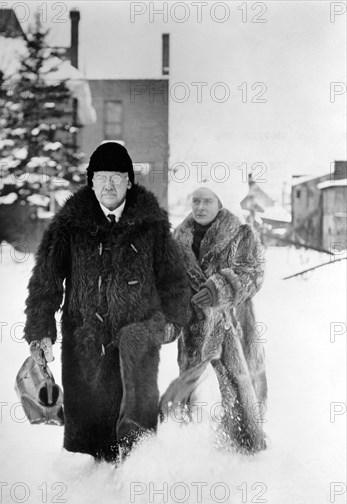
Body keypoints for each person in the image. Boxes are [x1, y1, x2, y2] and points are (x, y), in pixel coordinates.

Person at [24, 142, 190, 462]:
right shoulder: (69, 224)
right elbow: (45, 282)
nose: (109, 185)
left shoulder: (151, 225)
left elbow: (174, 280)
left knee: (136, 441)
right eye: (101, 177)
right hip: (84, 345)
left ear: (129, 181)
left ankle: (134, 492)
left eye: (116, 177)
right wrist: (40, 331)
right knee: (90, 446)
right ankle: (91, 497)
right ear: (91, 181)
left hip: (137, 343)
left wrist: (171, 324)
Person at [160, 186, 267, 452]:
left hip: (232, 323)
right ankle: (186, 446)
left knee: (240, 384)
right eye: (195, 200)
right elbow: (170, 282)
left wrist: (219, 288)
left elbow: (254, 273)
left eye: (207, 201)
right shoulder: (178, 239)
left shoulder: (241, 233)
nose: (200, 207)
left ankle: (246, 445)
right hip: (195, 325)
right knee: (189, 384)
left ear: (221, 202)